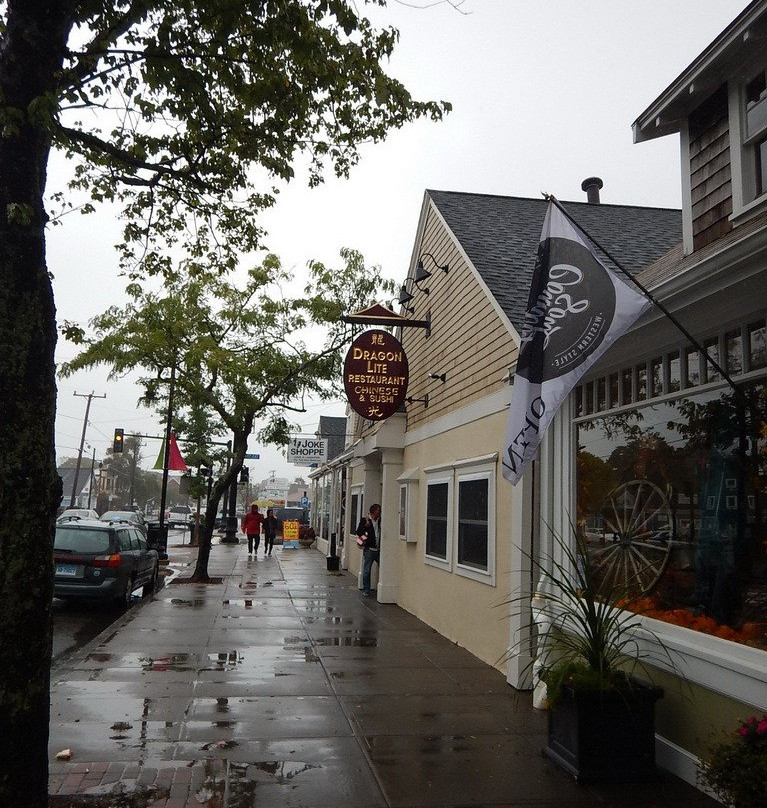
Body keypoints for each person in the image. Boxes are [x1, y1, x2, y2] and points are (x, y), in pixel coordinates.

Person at [356, 503, 381, 597]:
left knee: (383, 567)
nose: (379, 513)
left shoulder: (380, 521)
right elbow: (358, 532)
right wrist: (366, 526)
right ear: (373, 512)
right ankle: (366, 589)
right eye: (378, 512)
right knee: (367, 570)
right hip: (369, 549)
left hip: (379, 549)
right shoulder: (365, 520)